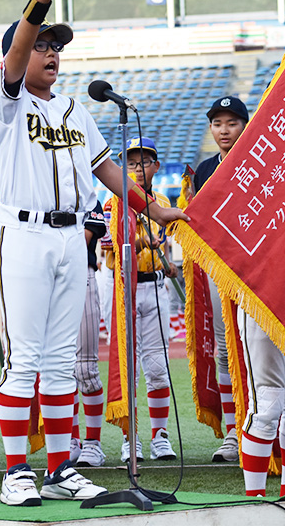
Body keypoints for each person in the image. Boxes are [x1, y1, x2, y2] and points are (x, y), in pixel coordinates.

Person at [0, 0, 186, 507]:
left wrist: (154, 209)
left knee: (59, 360)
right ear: (19, 54)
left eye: (57, 48)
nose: (52, 53)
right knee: (24, 358)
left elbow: (106, 170)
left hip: (71, 236)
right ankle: (16, 472)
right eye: (43, 46)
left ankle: (59, 469)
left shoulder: (77, 108)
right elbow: (15, 55)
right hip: (22, 235)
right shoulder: (6, 102)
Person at [102, 138, 178, 463]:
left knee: (158, 367)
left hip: (155, 285)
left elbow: (170, 241)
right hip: (123, 288)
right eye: (130, 162)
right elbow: (109, 243)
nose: (136, 167)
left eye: (144, 161)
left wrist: (168, 261)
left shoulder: (161, 201)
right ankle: (130, 439)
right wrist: (140, 238)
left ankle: (159, 436)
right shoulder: (112, 201)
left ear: (156, 166)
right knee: (127, 367)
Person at [193, 95, 249, 463]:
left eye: (231, 123)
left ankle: (268, 428)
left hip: (258, 268)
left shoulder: (261, 159)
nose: (224, 130)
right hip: (219, 267)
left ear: (245, 124)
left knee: (265, 348)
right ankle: (233, 432)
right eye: (218, 124)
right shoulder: (204, 169)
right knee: (226, 347)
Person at [70, 200, 108, 467]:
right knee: (59, 370)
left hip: (81, 274)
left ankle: (93, 443)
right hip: (48, 278)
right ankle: (70, 440)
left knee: (85, 369)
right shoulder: (41, 192)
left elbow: (83, 240)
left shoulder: (88, 196)